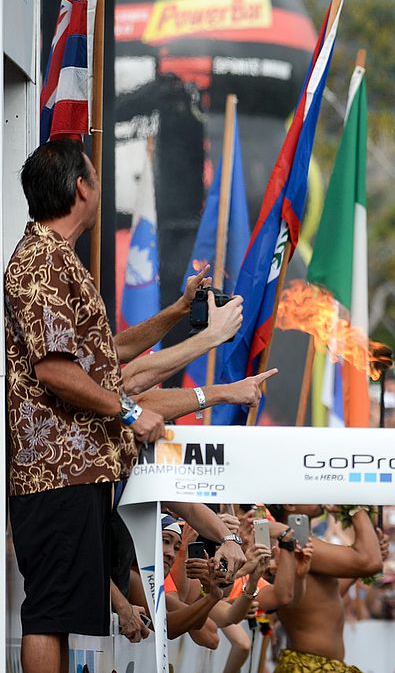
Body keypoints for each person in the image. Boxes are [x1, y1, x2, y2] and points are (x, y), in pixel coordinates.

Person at [2, 140, 265, 673]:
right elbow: (55, 370)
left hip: (81, 470)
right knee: (48, 614)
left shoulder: (58, 259)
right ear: (82, 187)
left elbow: (109, 351)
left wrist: (174, 311)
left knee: (63, 611)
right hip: (55, 471)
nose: (99, 186)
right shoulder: (39, 263)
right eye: (96, 176)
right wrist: (128, 411)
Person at [271, 504, 385, 673]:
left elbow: (328, 595)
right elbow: (370, 561)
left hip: (315, 665)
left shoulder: (302, 544)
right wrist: (355, 507)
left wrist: (362, 565)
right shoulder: (297, 544)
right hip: (309, 667)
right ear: (290, 505)